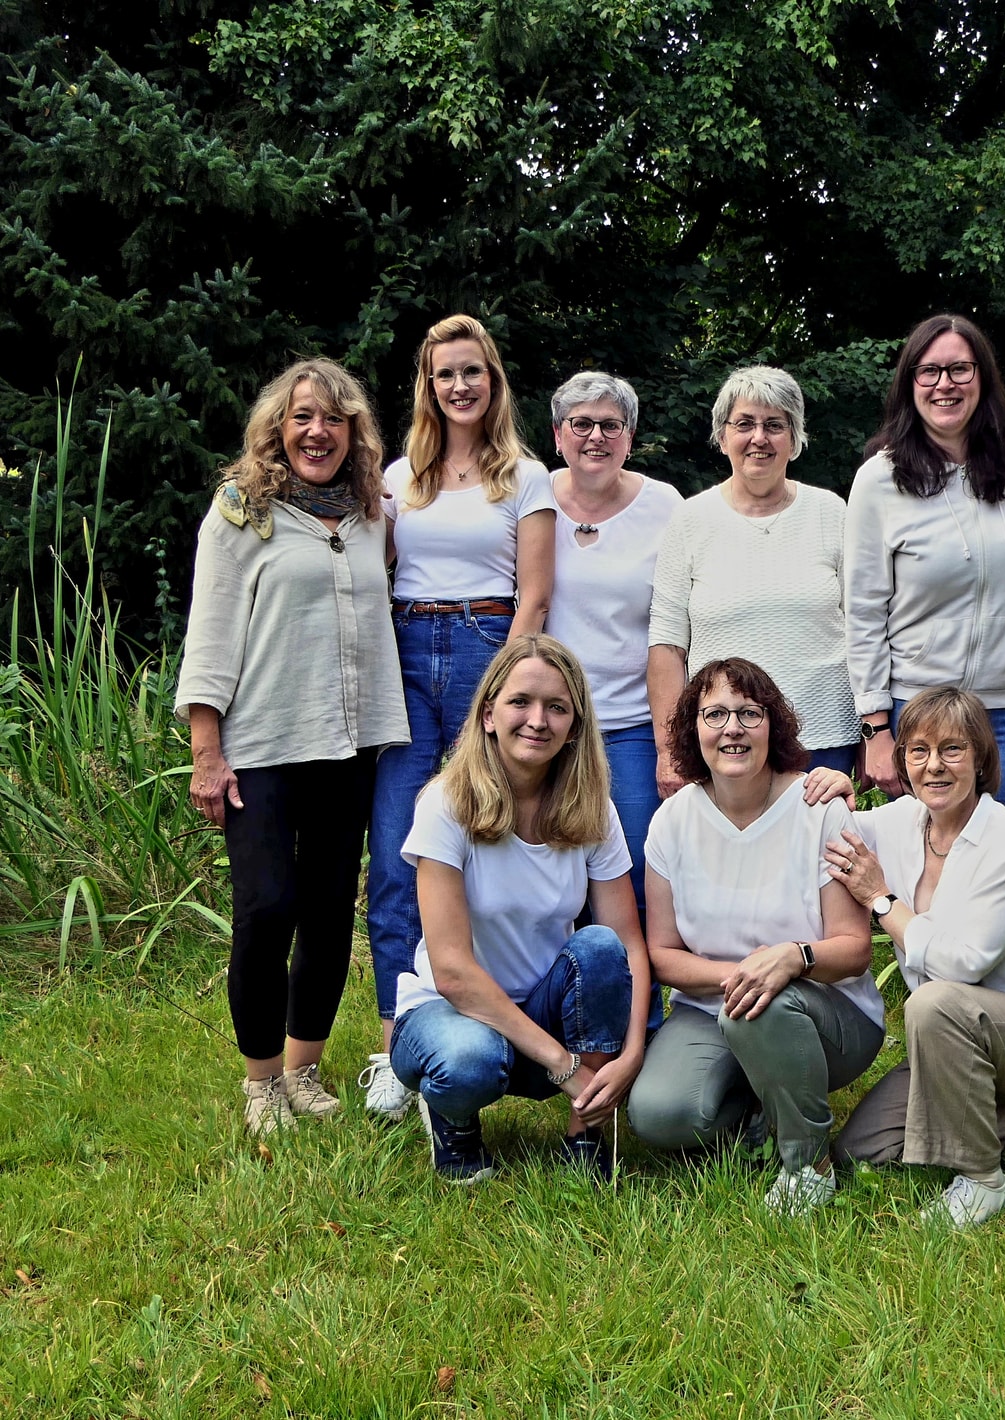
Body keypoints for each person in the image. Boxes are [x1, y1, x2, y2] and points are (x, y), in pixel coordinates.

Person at [176, 358, 408, 1137]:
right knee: (267, 908)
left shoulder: (375, 513)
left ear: (355, 432)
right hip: (263, 744)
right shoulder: (242, 511)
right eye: (304, 417)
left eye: (335, 419)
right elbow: (209, 635)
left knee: (327, 917)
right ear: (278, 427)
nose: (319, 432)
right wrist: (207, 751)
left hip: (348, 749)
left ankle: (306, 1070)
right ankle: (262, 1080)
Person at [362, 314, 556, 1124]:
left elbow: (538, 595)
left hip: (490, 648)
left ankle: (513, 1029)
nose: (461, 385)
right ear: (429, 385)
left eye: (473, 371)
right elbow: (373, 581)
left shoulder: (526, 477)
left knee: (491, 842)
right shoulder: (399, 477)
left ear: (494, 381)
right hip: (407, 656)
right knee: (397, 853)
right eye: (446, 374)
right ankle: (394, 1046)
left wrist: (497, 694)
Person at [387, 635, 657, 1183]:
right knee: (470, 1060)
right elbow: (454, 972)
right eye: (521, 702)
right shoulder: (446, 803)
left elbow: (628, 944)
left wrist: (630, 1053)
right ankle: (454, 1123)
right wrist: (564, 1066)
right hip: (450, 1013)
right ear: (489, 714)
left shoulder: (592, 809)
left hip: (543, 1009)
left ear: (575, 726)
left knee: (599, 947)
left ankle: (586, 1135)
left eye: (557, 707)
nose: (538, 720)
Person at [828, 688, 1005, 1228]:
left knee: (933, 1003)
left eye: (953, 749)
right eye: (919, 750)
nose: (934, 766)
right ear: (903, 760)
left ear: (980, 759)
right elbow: (834, 832)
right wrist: (834, 790)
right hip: (956, 1038)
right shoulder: (904, 820)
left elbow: (958, 967)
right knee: (860, 1149)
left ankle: (981, 1179)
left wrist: (881, 900)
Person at [627, 658, 884, 1215]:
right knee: (659, 1115)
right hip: (711, 1007)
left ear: (775, 725)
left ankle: (807, 1164)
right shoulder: (672, 821)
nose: (733, 728)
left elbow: (855, 949)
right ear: (693, 730)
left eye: (749, 713)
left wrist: (790, 959)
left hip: (826, 1011)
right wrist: (742, 975)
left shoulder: (819, 808)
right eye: (714, 714)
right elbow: (662, 954)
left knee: (763, 1008)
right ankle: (763, 1112)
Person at [844, 314, 1005, 858]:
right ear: (909, 382)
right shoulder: (879, 479)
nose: (945, 384)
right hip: (922, 704)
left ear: (983, 377)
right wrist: (875, 730)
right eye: (929, 371)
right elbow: (864, 610)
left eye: (960, 369)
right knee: (931, 866)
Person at [647, 367, 858, 793]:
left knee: (820, 859)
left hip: (824, 742)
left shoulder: (832, 513)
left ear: (795, 439)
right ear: (722, 437)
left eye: (775, 425)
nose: (759, 438)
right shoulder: (690, 520)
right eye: (744, 424)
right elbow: (667, 645)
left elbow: (866, 627)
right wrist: (670, 750)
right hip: (723, 743)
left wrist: (873, 732)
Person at [544, 372, 683, 912]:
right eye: (581, 424)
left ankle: (639, 999)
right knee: (556, 879)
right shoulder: (531, 496)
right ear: (558, 435)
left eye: (610, 425)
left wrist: (671, 745)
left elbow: (675, 627)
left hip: (632, 727)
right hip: (551, 724)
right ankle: (566, 997)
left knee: (638, 882)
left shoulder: (665, 506)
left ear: (629, 438)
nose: (595, 437)